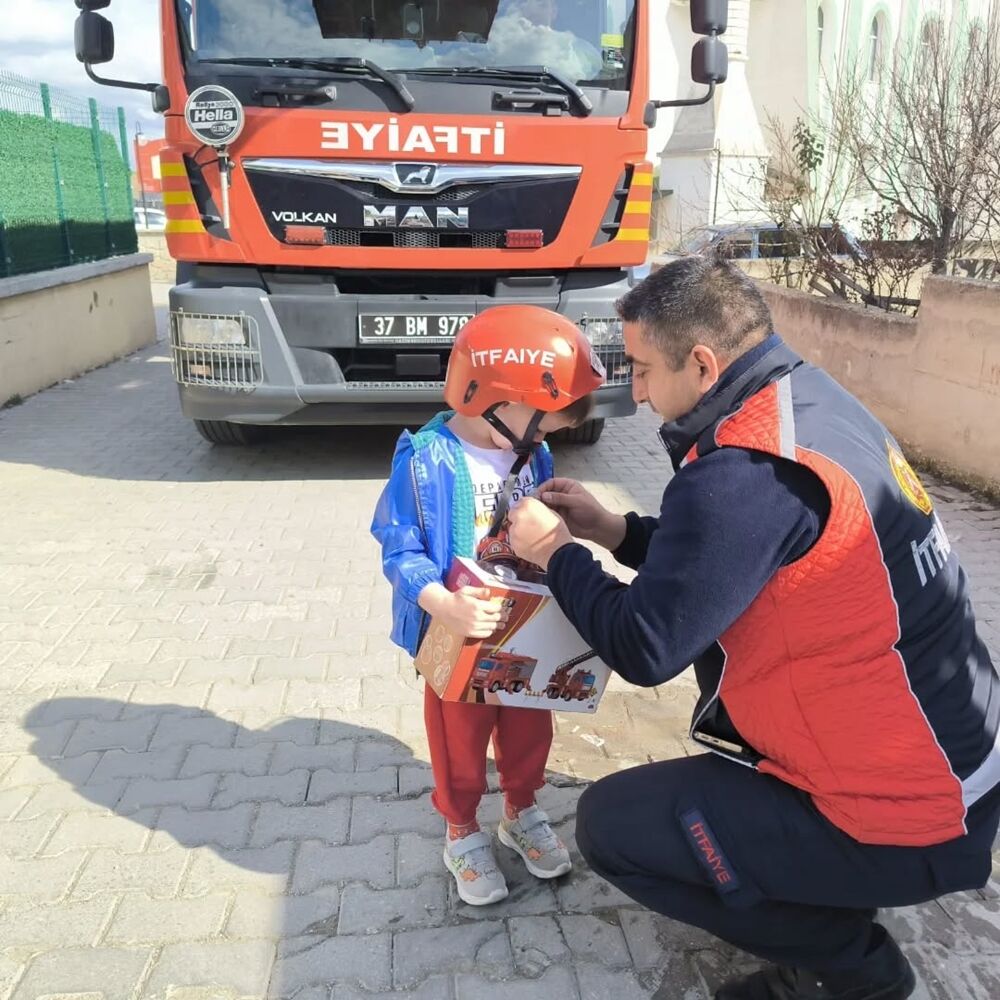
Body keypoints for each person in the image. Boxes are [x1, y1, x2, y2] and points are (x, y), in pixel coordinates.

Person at [506, 256, 1000, 999]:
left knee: (611, 828)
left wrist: (553, 553)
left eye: (640, 368)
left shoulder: (745, 472)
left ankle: (852, 964)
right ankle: (824, 886)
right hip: (960, 769)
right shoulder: (807, 402)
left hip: (911, 811)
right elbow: (730, 560)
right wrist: (614, 530)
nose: (634, 392)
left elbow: (647, 646)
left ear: (701, 364)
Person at [370, 304, 604, 906]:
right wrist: (442, 605)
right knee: (460, 745)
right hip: (459, 634)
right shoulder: (425, 458)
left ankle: (520, 809)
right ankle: (461, 829)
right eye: (545, 423)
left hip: (526, 629)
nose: (550, 437)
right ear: (500, 401)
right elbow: (398, 549)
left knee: (530, 729)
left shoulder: (531, 453)